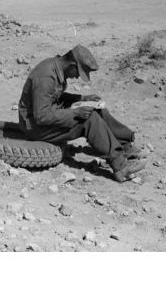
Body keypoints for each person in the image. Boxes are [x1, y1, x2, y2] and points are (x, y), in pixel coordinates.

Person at [18, 44, 147, 182]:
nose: (77, 77)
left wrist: (82, 99)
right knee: (88, 119)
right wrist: (75, 113)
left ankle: (124, 146)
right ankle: (120, 167)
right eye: (79, 73)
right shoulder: (46, 77)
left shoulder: (56, 68)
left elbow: (53, 97)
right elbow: (41, 116)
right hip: (35, 127)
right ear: (72, 65)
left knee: (96, 109)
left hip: (49, 113)